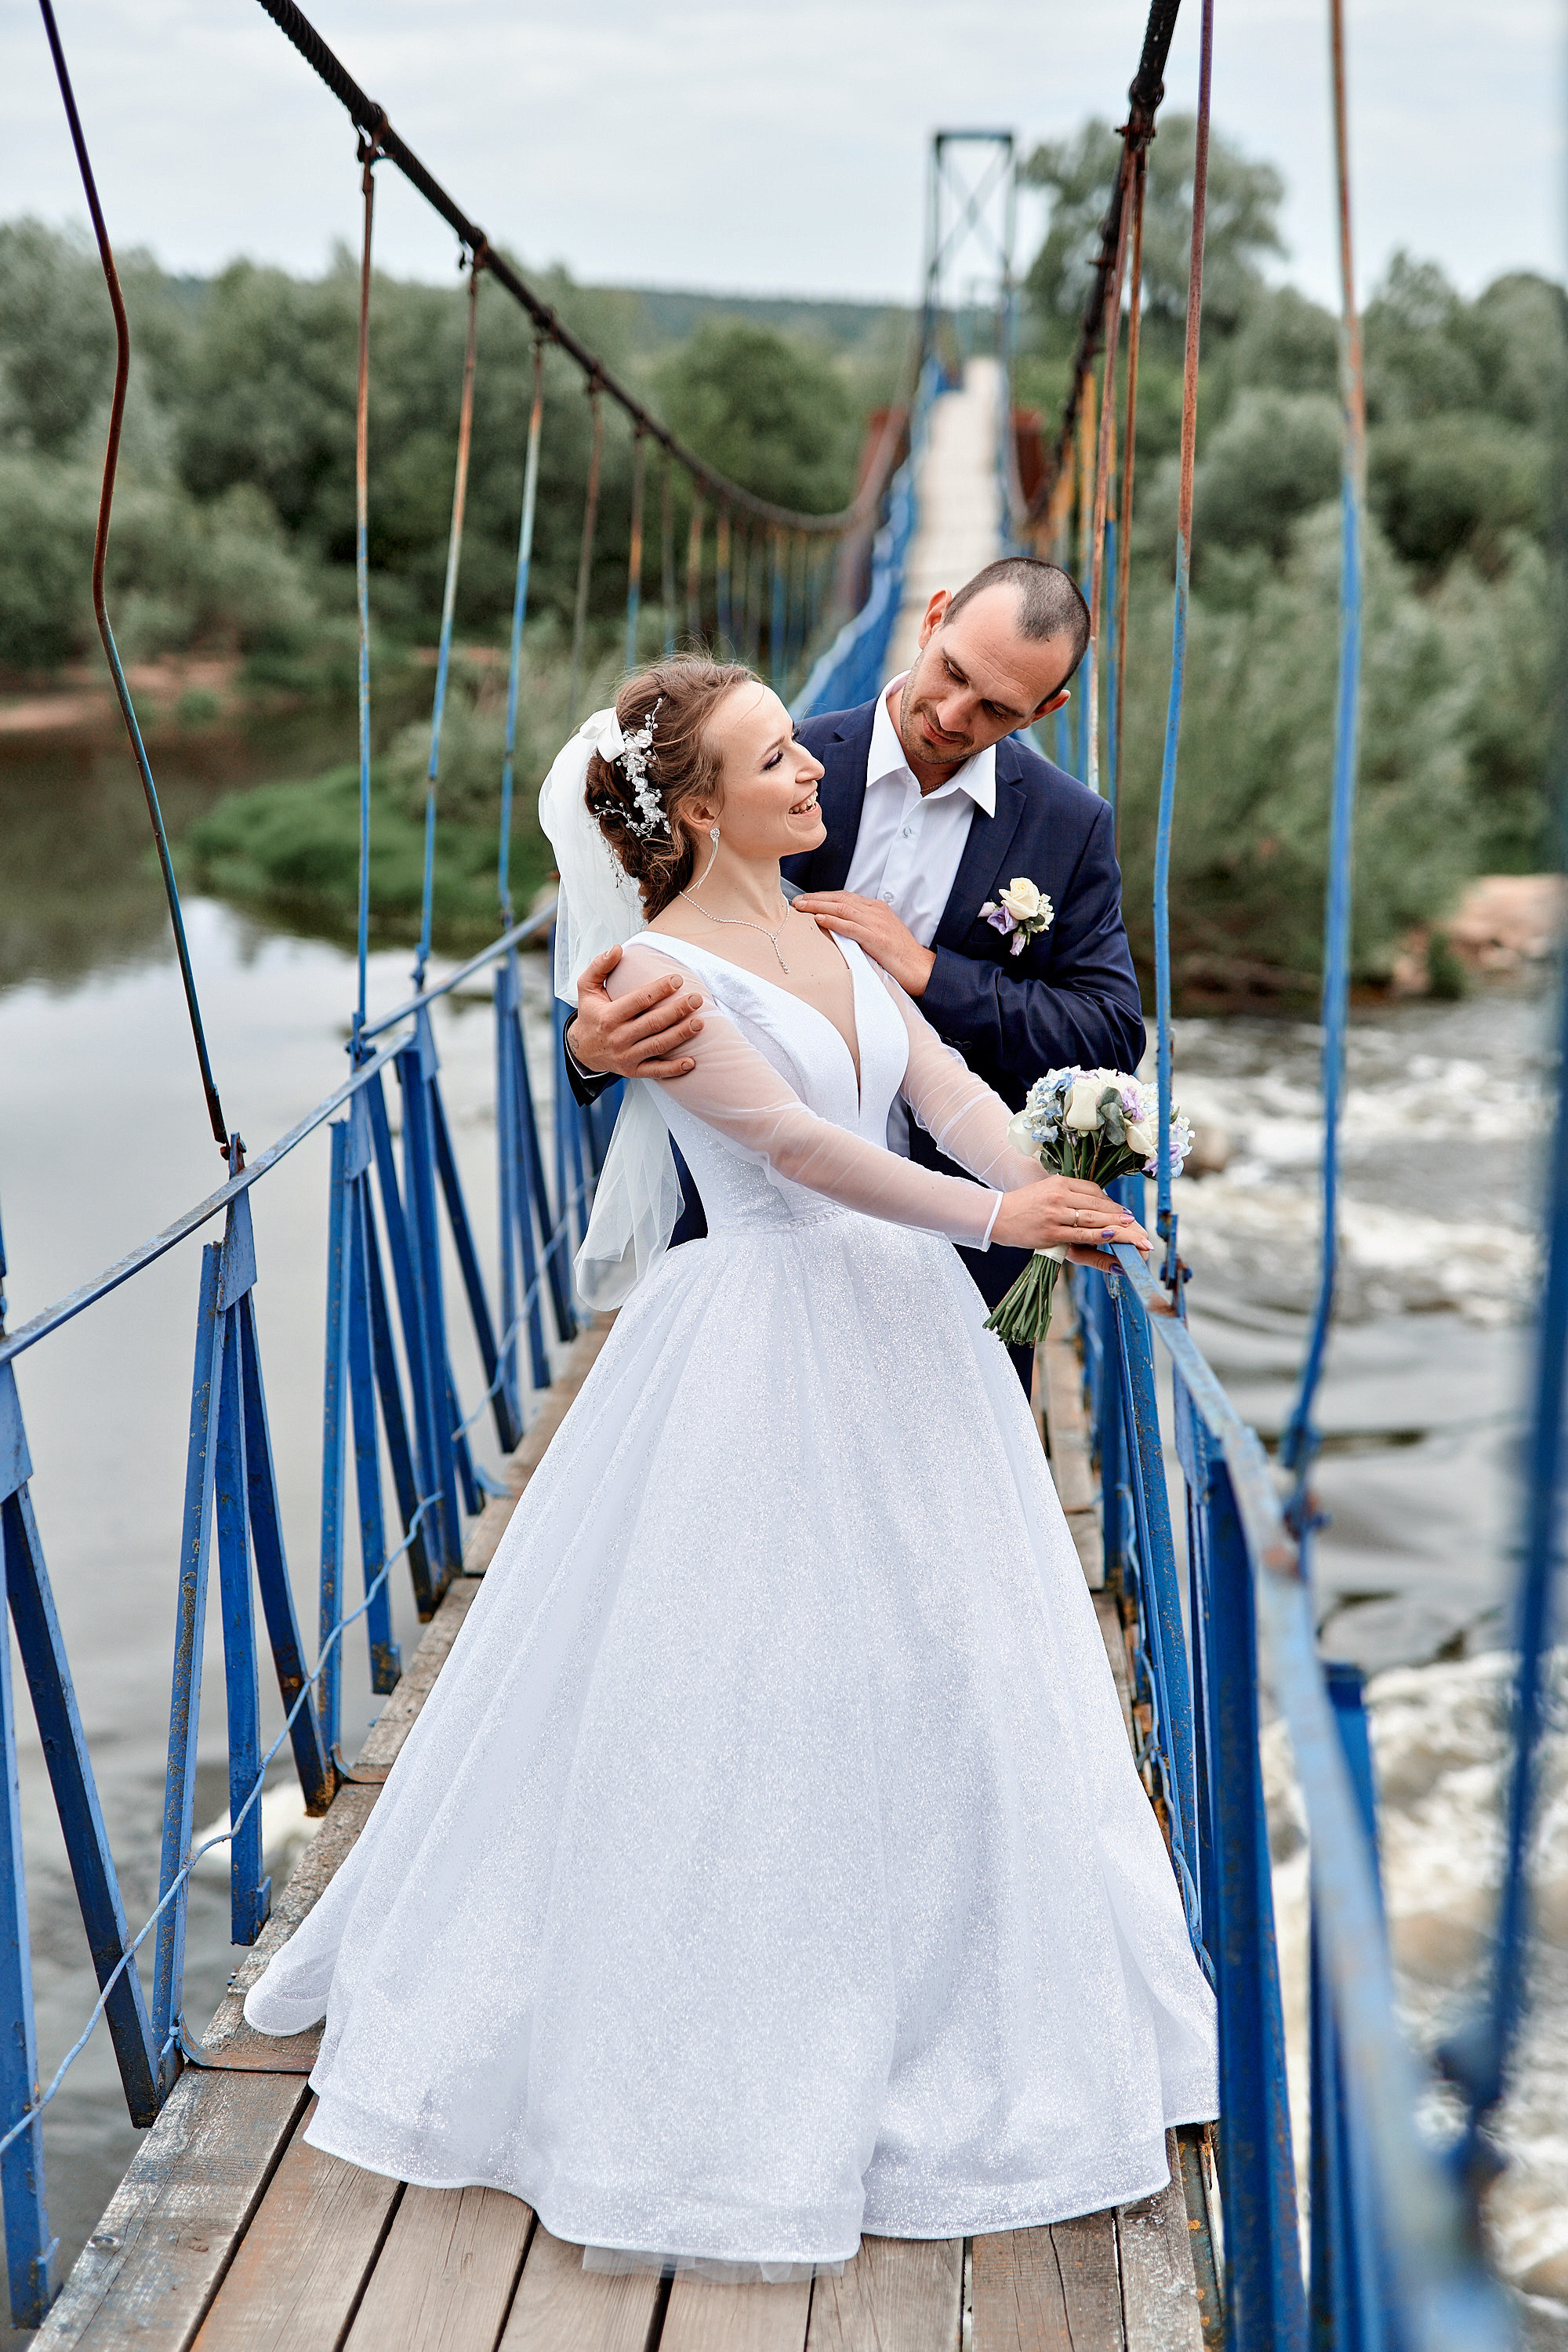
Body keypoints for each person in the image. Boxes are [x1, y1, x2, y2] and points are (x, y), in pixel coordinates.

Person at [243, 656, 1216, 2280]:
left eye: (799, 750)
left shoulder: (823, 925)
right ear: (698, 809)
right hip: (765, 1325)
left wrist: (1063, 1195)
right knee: (758, 1674)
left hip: (906, 1328)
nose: (813, 770)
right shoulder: (657, 969)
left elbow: (940, 1092)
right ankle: (735, 2031)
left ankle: (949, 1964)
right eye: (777, 760)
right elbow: (797, 1145)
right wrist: (999, 1219)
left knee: (946, 1648)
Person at [561, 556, 1144, 1392]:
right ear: (932, 618)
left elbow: (1105, 1034)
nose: (952, 715)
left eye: (996, 709)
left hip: (967, 1262)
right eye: (953, 673)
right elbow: (634, 945)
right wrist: (588, 1049)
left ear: (1045, 711)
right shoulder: (757, 759)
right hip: (757, 1265)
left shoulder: (1069, 825)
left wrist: (929, 974)